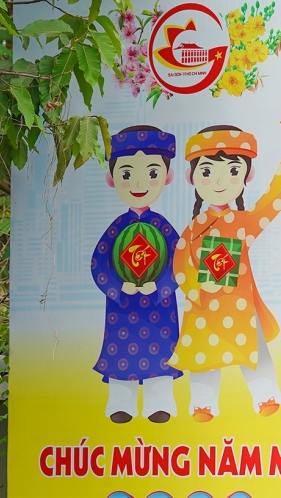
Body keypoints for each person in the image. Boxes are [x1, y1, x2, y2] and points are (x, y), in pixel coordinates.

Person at [167, 125, 281, 421]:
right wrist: (194, 291)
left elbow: (271, 202)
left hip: (241, 306)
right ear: (192, 177)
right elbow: (179, 262)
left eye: (232, 170)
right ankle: (203, 402)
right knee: (203, 357)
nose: (219, 180)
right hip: (203, 307)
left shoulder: (243, 222)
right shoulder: (193, 229)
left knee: (254, 351)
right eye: (207, 171)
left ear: (246, 176)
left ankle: (266, 394)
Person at [91, 125, 183, 423]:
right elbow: (99, 263)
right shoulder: (118, 226)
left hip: (159, 308)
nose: (140, 182)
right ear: (112, 179)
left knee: (161, 358)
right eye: (128, 173)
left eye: (152, 173)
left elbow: (181, 262)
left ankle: (161, 403)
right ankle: (122, 404)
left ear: (166, 177)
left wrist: (161, 287)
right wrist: (118, 288)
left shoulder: (163, 226)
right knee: (121, 358)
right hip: (123, 309)